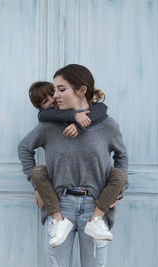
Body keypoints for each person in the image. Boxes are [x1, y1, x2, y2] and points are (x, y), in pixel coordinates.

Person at [18, 64, 128, 266]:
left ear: (82, 90)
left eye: (61, 90)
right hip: (60, 207)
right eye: (54, 90)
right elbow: (25, 148)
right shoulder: (48, 125)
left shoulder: (107, 125)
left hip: (95, 207)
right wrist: (36, 185)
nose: (56, 96)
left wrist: (119, 190)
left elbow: (122, 156)